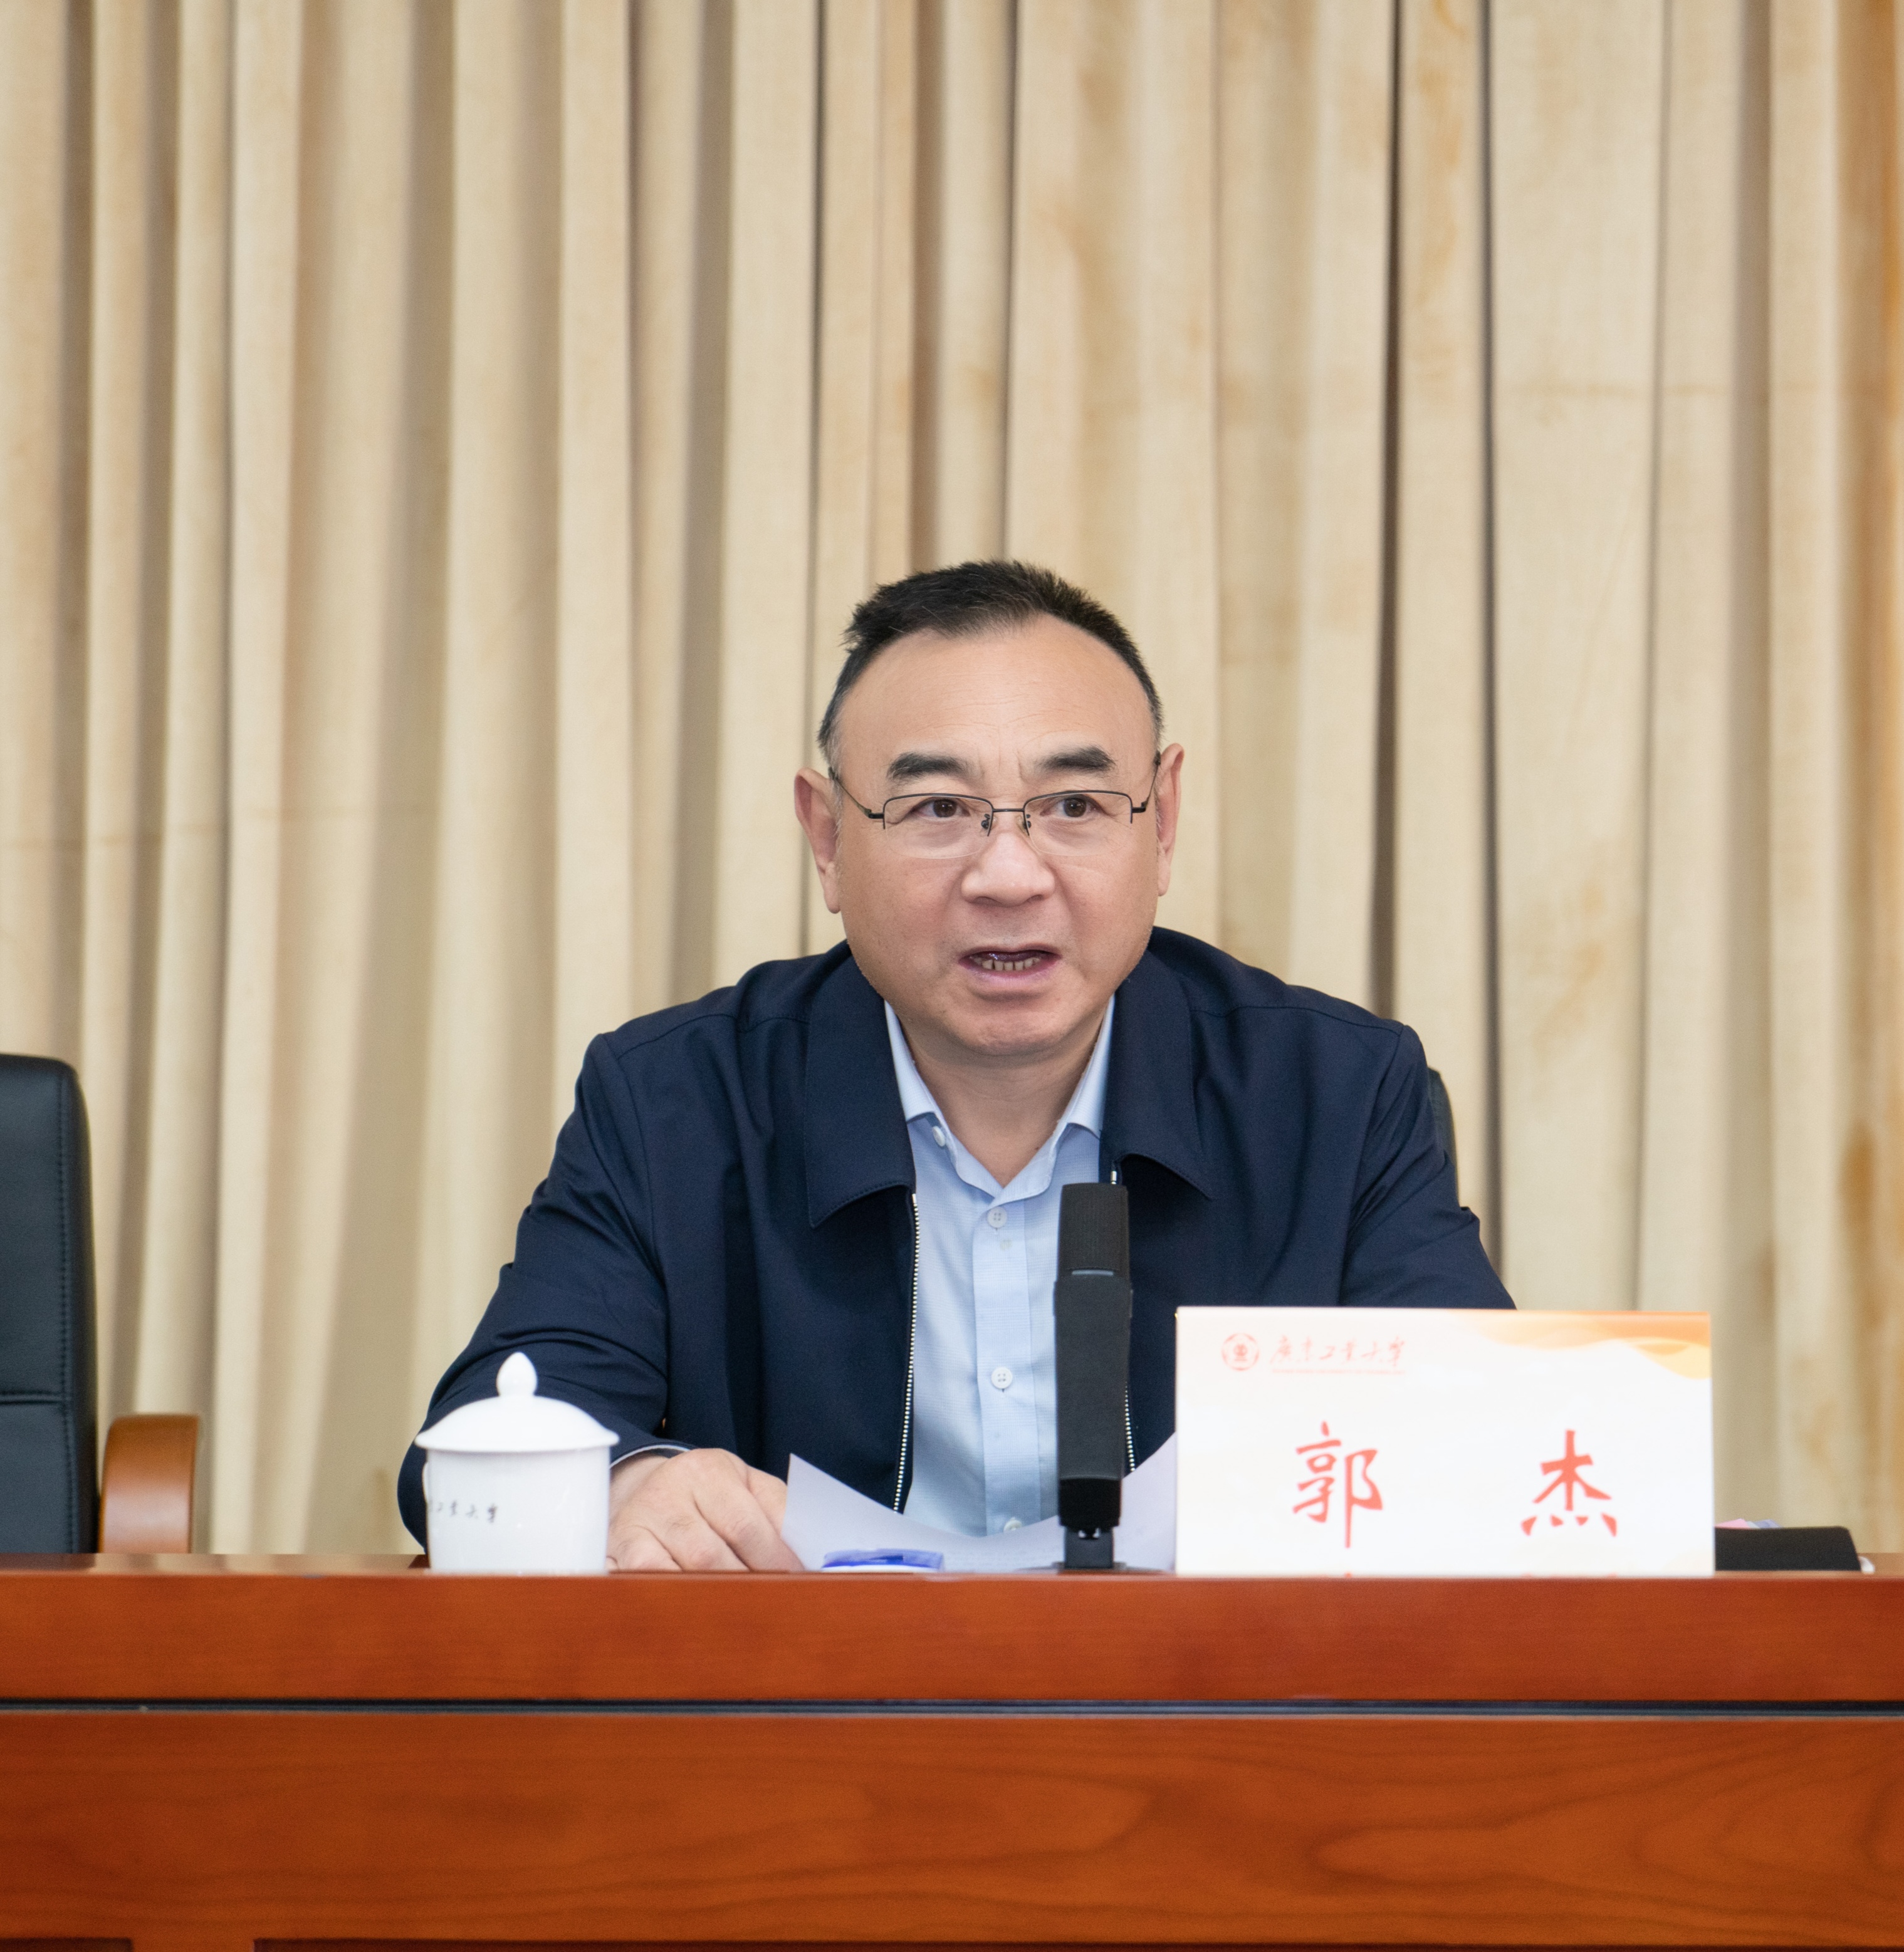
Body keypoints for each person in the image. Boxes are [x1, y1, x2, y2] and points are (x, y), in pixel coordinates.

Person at [397, 560, 1512, 1567]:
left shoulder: (1334, 1095)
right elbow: (493, 1429)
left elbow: (1484, 1447)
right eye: (937, 808)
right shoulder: (674, 1101)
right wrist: (627, 1486)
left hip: (1198, 1705)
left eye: (1073, 805)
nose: (1009, 875)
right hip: (811, 1709)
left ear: (1162, 820)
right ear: (827, 838)